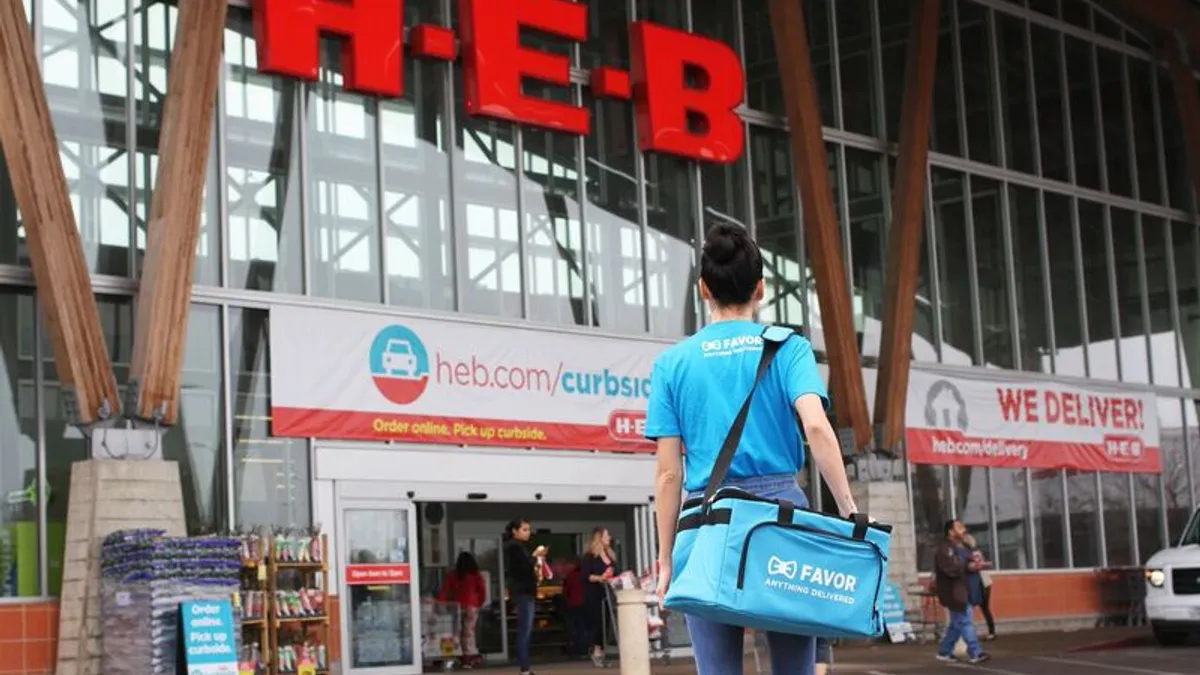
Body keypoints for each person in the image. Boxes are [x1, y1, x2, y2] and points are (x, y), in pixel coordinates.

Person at [646, 222, 861, 675]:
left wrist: (666, 559)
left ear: (704, 289)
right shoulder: (789, 349)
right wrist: (848, 509)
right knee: (795, 668)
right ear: (760, 288)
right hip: (781, 521)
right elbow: (817, 428)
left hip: (706, 524)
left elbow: (668, 475)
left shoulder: (672, 364)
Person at [934, 520, 991, 664]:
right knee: (965, 621)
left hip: (968, 589)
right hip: (955, 591)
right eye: (959, 527)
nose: (963, 530)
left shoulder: (965, 546)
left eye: (963, 526)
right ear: (950, 532)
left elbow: (972, 560)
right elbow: (950, 569)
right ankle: (975, 652)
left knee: (957, 623)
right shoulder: (945, 548)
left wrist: (977, 561)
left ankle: (944, 652)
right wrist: (968, 566)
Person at [503, 519, 545, 675]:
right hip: (523, 591)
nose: (528, 533)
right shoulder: (514, 547)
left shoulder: (516, 547)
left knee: (525, 630)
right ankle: (525, 669)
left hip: (523, 591)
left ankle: (525, 667)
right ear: (515, 531)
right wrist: (535, 556)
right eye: (525, 529)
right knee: (524, 631)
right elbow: (524, 566)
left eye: (529, 529)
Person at [439, 551, 487, 668]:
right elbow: (482, 591)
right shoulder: (476, 575)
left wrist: (441, 603)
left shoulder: (453, 575)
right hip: (472, 605)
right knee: (469, 632)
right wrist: (479, 603)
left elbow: (445, 590)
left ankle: (459, 654)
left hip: (456, 606)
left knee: (457, 632)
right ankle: (468, 657)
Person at [580, 527, 616, 667]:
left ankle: (601, 651)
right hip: (594, 594)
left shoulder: (610, 554)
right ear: (599, 537)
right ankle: (597, 652)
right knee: (597, 622)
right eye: (607, 535)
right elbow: (584, 576)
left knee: (606, 622)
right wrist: (600, 577)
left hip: (607, 593)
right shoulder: (589, 556)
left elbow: (615, 571)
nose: (609, 537)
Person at [962, 533, 996, 640]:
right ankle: (990, 632)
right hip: (982, 582)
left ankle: (988, 632)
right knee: (982, 608)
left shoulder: (972, 553)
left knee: (976, 607)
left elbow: (976, 565)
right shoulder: (972, 552)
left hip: (981, 582)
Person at [561, 557, 588, 658]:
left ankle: (580, 650)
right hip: (587, 603)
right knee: (587, 627)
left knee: (578, 627)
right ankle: (588, 648)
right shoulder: (588, 575)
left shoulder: (571, 575)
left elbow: (566, 591)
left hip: (574, 604)